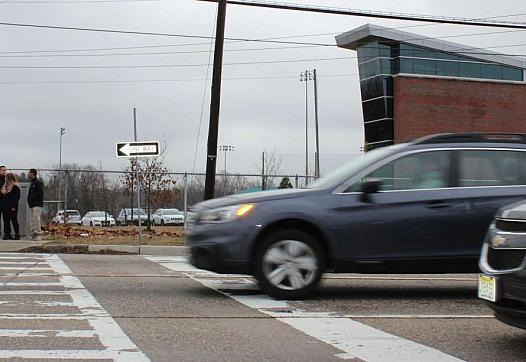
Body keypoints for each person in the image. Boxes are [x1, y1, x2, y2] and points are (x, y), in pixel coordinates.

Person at [1, 173, 20, 240]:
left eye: (6, 178)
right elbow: (2, 195)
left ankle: (17, 235)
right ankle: (7, 235)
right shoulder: (5, 187)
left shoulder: (16, 187)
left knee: (14, 220)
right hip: (5, 206)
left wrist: (14, 206)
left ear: (10, 178)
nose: (5, 179)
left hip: (12, 207)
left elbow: (16, 197)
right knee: (6, 221)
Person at [27, 169, 44, 241]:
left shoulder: (38, 183)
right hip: (31, 205)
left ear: (33, 174)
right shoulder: (32, 183)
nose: (27, 174)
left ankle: (38, 234)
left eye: (29, 173)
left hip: (37, 204)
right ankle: (33, 234)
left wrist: (34, 200)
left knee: (36, 219)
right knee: (31, 220)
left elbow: (40, 193)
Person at [0, 166, 6, 239]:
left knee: (6, 218)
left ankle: (6, 234)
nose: (4, 171)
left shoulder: (6, 179)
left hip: (5, 202)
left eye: (5, 170)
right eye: (2, 170)